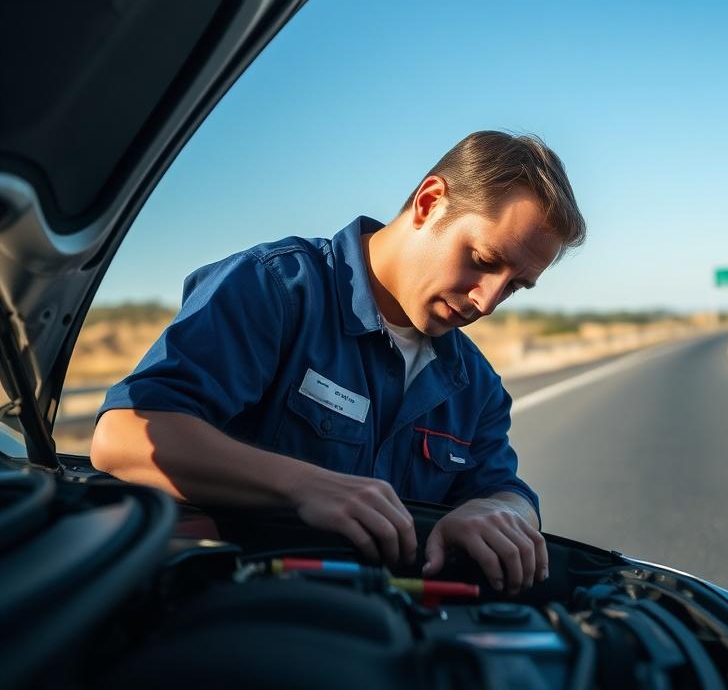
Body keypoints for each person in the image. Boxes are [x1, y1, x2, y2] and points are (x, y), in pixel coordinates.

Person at [90, 131, 586, 596]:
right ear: (430, 201)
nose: (487, 300)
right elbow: (124, 436)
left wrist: (500, 510)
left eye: (515, 286)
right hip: (237, 610)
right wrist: (303, 486)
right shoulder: (277, 290)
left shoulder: (474, 385)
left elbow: (504, 488)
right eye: (482, 258)